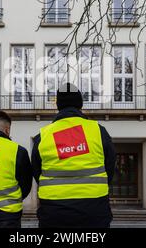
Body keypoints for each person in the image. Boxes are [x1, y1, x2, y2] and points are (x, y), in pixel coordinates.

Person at [31, 83, 116, 228]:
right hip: (94, 211)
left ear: (58, 105)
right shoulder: (98, 131)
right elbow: (110, 167)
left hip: (54, 212)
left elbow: (36, 171)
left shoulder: (43, 136)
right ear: (80, 104)